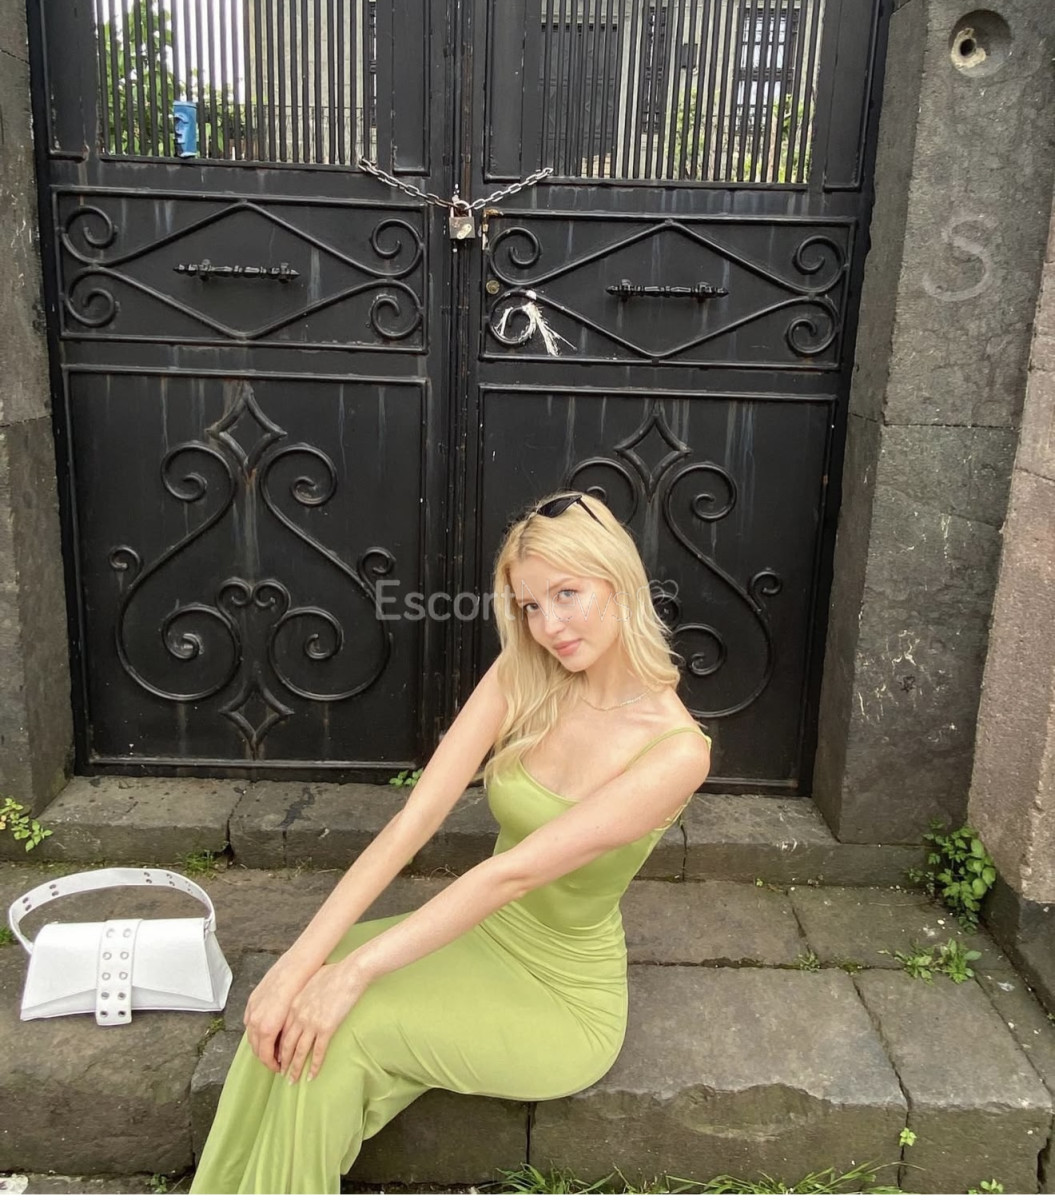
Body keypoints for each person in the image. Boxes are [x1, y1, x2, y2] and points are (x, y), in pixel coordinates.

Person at [188, 490, 712, 1194]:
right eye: (530, 605)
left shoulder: (675, 752)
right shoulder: (528, 672)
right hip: (475, 934)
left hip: (559, 997)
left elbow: (509, 876)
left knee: (337, 1032)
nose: (548, 625)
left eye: (567, 594)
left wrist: (356, 972)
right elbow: (415, 820)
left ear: (619, 582)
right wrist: (298, 961)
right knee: (294, 1003)